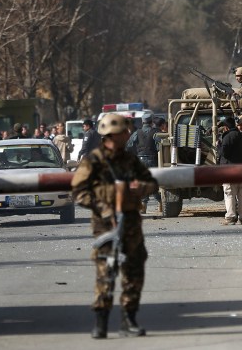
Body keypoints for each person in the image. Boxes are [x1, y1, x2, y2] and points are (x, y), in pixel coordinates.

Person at [71, 113, 157, 339]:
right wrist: (102, 206)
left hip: (131, 222)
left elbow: (151, 183)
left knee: (134, 271)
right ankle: (101, 322)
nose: (128, 135)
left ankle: (129, 319)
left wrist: (142, 188)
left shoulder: (130, 160)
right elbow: (79, 191)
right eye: (124, 132)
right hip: (105, 224)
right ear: (112, 135)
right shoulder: (94, 161)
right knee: (106, 272)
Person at [219, 115, 242, 225]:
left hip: (229, 170)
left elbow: (224, 153)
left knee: (229, 194)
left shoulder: (227, 137)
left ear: (226, 128)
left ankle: (230, 217)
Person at [126, 115, 161, 213]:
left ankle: (143, 206)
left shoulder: (137, 133)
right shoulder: (156, 132)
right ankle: (160, 202)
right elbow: (161, 145)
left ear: (142, 122)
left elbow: (129, 145)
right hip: (152, 160)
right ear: (151, 122)